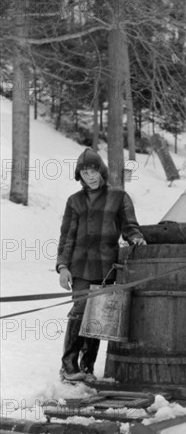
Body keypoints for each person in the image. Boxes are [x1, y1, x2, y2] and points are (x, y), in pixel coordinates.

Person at [56, 148, 146, 382]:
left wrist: (135, 237)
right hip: (80, 267)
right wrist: (63, 266)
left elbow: (129, 226)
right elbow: (67, 237)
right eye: (84, 172)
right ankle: (68, 366)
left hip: (107, 266)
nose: (90, 176)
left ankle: (87, 367)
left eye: (93, 170)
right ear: (79, 175)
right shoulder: (74, 201)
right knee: (79, 311)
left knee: (97, 316)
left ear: (101, 171)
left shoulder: (119, 197)